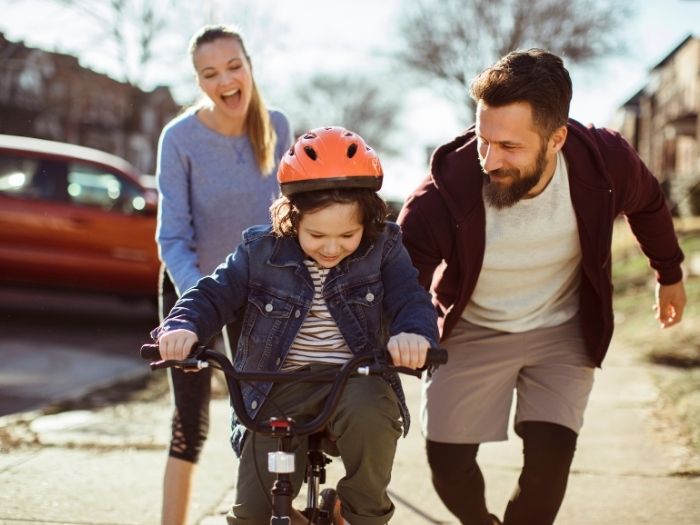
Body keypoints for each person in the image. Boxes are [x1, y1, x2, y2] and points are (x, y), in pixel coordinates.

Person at [397, 49, 687, 525]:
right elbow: (404, 277)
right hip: (474, 326)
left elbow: (649, 203)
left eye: (510, 146)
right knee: (447, 464)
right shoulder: (442, 192)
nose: (490, 159)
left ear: (556, 138)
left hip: (562, 327)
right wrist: (401, 330)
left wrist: (669, 273)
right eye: (483, 140)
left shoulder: (604, 162)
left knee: (549, 464)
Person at [152, 126, 440, 525]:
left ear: (368, 221)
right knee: (253, 515)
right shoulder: (258, 250)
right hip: (276, 385)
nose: (332, 247)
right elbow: (213, 294)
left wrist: (414, 333)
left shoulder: (385, 248)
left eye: (348, 235)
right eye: (316, 234)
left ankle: (358, 512)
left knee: (372, 414)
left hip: (353, 379)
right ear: (291, 218)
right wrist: (184, 326)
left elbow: (411, 298)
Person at [154, 24, 292, 525]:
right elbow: (172, 236)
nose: (226, 80)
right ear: (199, 82)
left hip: (258, 292)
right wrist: (204, 299)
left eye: (234, 66)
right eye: (210, 73)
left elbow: (288, 223)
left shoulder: (276, 126)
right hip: (192, 286)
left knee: (261, 412)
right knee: (191, 421)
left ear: (249, 66)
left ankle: (261, 512)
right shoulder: (180, 138)